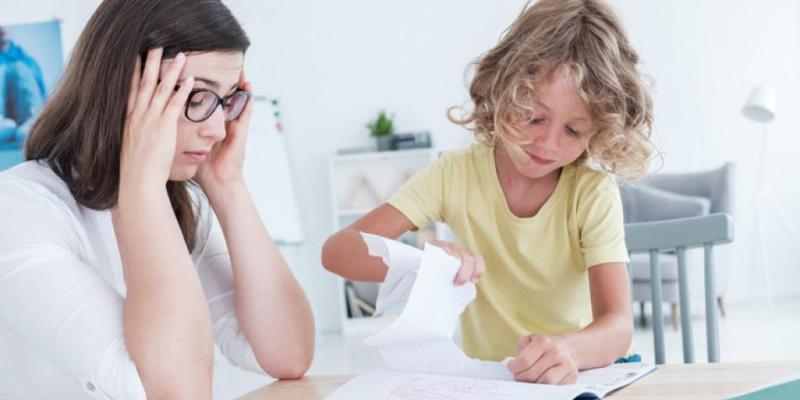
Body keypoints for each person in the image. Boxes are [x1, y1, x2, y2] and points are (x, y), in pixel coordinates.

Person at [322, 0, 653, 385]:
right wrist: (420, 264)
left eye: (573, 131)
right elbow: (338, 251)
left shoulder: (592, 192)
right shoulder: (455, 174)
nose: (547, 142)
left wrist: (569, 349)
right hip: (487, 382)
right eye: (534, 116)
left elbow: (617, 325)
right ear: (504, 91)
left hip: (573, 381)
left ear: (598, 131)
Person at [0, 1, 314, 399]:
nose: (218, 129)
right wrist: (142, 187)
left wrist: (228, 185)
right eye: (197, 96)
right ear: (122, 90)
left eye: (228, 99)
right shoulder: (16, 209)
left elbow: (287, 354)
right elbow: (176, 392)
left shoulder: (178, 206)